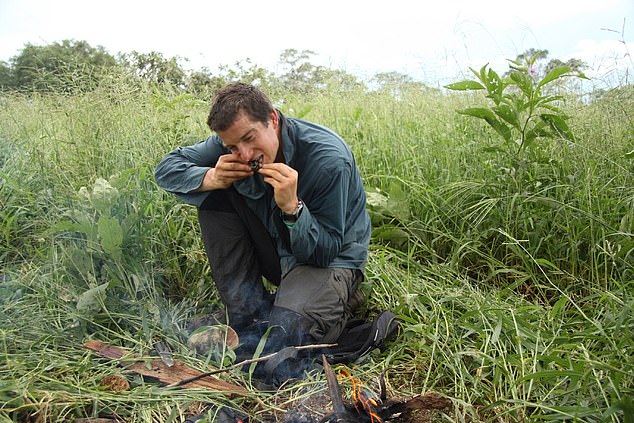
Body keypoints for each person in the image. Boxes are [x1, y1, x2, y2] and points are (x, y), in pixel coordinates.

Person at [155, 83, 371, 382]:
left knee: (286, 341)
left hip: (328, 261)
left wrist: (293, 210)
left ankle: (341, 299)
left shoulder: (327, 158)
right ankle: (245, 310)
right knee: (215, 196)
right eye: (232, 147)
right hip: (278, 253)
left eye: (249, 139)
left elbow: (325, 251)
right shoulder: (232, 143)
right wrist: (212, 177)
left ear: (272, 119)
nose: (244, 155)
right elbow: (166, 169)